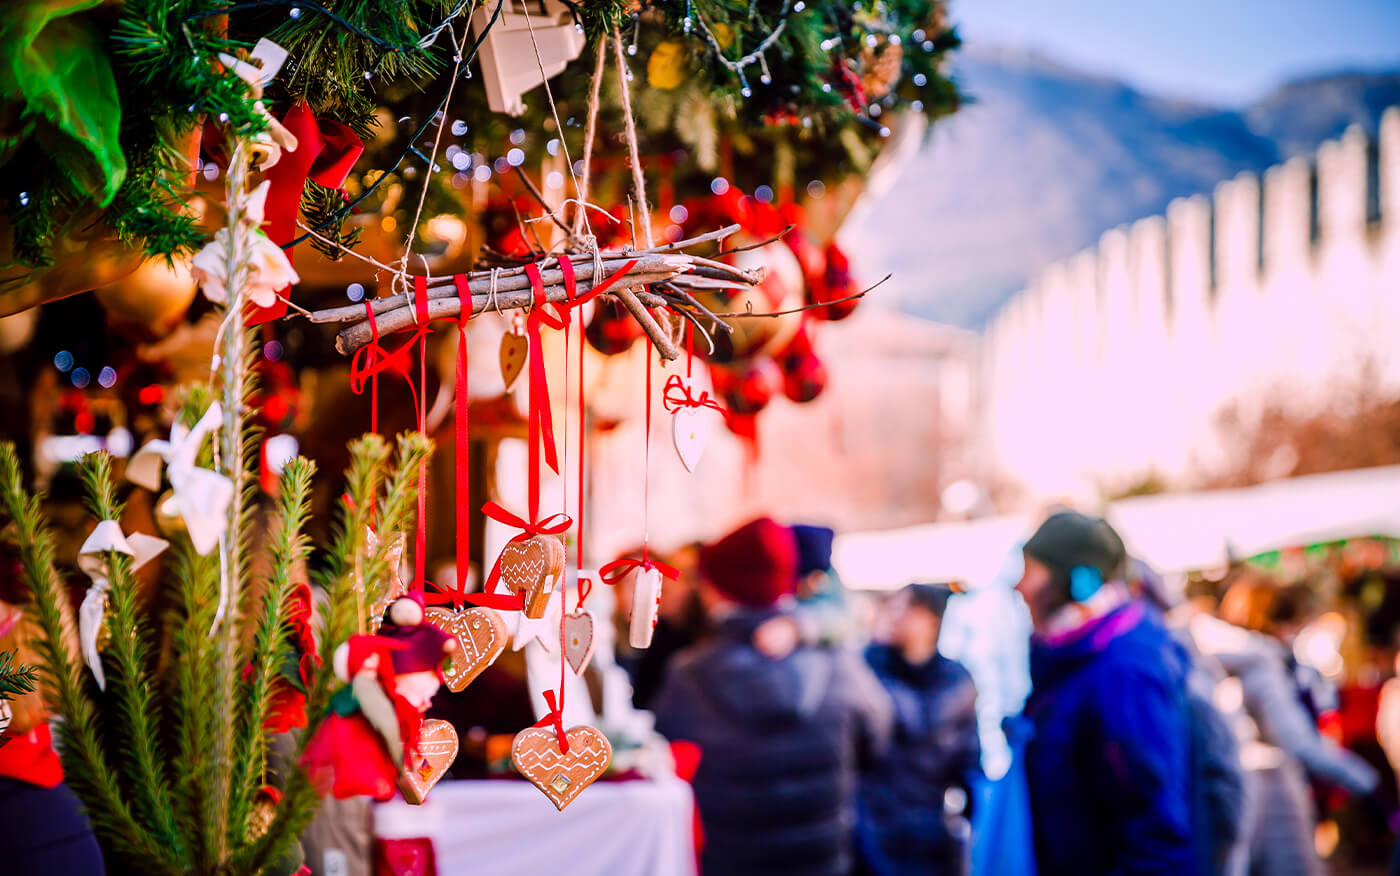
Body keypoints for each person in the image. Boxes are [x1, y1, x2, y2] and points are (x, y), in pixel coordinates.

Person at [652, 517, 892, 876]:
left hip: (728, 860)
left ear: (715, 590)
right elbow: (877, 741)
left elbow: (667, 759)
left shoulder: (689, 676)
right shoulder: (840, 665)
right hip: (821, 861)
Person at [1015, 510, 1198, 876]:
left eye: (1031, 571)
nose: (1020, 586)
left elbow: (1154, 831)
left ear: (1074, 582)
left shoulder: (1122, 673)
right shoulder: (1071, 659)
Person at [857, 583, 980, 876]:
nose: (897, 615)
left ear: (932, 620)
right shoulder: (867, 668)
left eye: (908, 608)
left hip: (931, 830)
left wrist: (969, 813)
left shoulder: (957, 680)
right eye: (894, 607)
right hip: (872, 828)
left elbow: (969, 756)